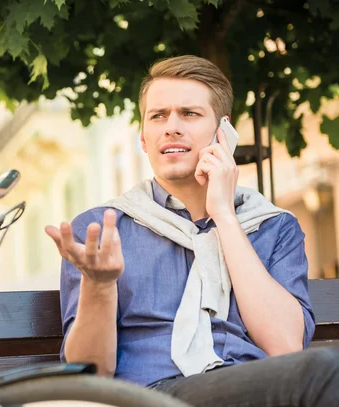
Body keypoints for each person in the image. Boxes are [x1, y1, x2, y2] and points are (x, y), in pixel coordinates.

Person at [45, 55, 339, 406]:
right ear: (143, 137)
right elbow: (89, 374)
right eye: (158, 116)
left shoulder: (273, 226)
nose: (171, 126)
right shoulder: (103, 230)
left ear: (223, 133)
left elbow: (284, 346)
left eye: (189, 114)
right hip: (147, 395)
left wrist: (224, 216)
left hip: (256, 390)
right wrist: (100, 286)